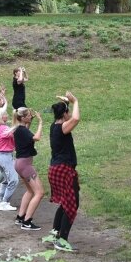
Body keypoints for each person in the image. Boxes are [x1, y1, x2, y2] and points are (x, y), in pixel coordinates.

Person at [43, 91, 81, 252]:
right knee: (72, 204)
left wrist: (68, 103)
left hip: (56, 169)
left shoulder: (54, 126)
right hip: (64, 170)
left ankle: (54, 235)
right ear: (64, 114)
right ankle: (62, 241)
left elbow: (71, 117)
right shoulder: (62, 127)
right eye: (68, 112)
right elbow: (76, 118)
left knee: (65, 204)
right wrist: (75, 101)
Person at [13, 108, 44, 230]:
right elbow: (36, 138)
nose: (30, 116)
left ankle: (20, 217)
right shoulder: (22, 130)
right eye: (29, 115)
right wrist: (41, 123)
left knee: (30, 191)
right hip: (25, 165)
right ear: (23, 118)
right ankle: (27, 221)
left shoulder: (19, 129)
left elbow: (27, 131)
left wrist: (30, 121)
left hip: (19, 163)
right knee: (39, 192)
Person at [0, 107, 19, 211]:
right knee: (14, 180)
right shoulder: (3, 128)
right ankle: (5, 202)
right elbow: (14, 132)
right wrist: (17, 119)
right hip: (5, 156)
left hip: (0, 155)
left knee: (6, 179)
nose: (6, 116)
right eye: (4, 114)